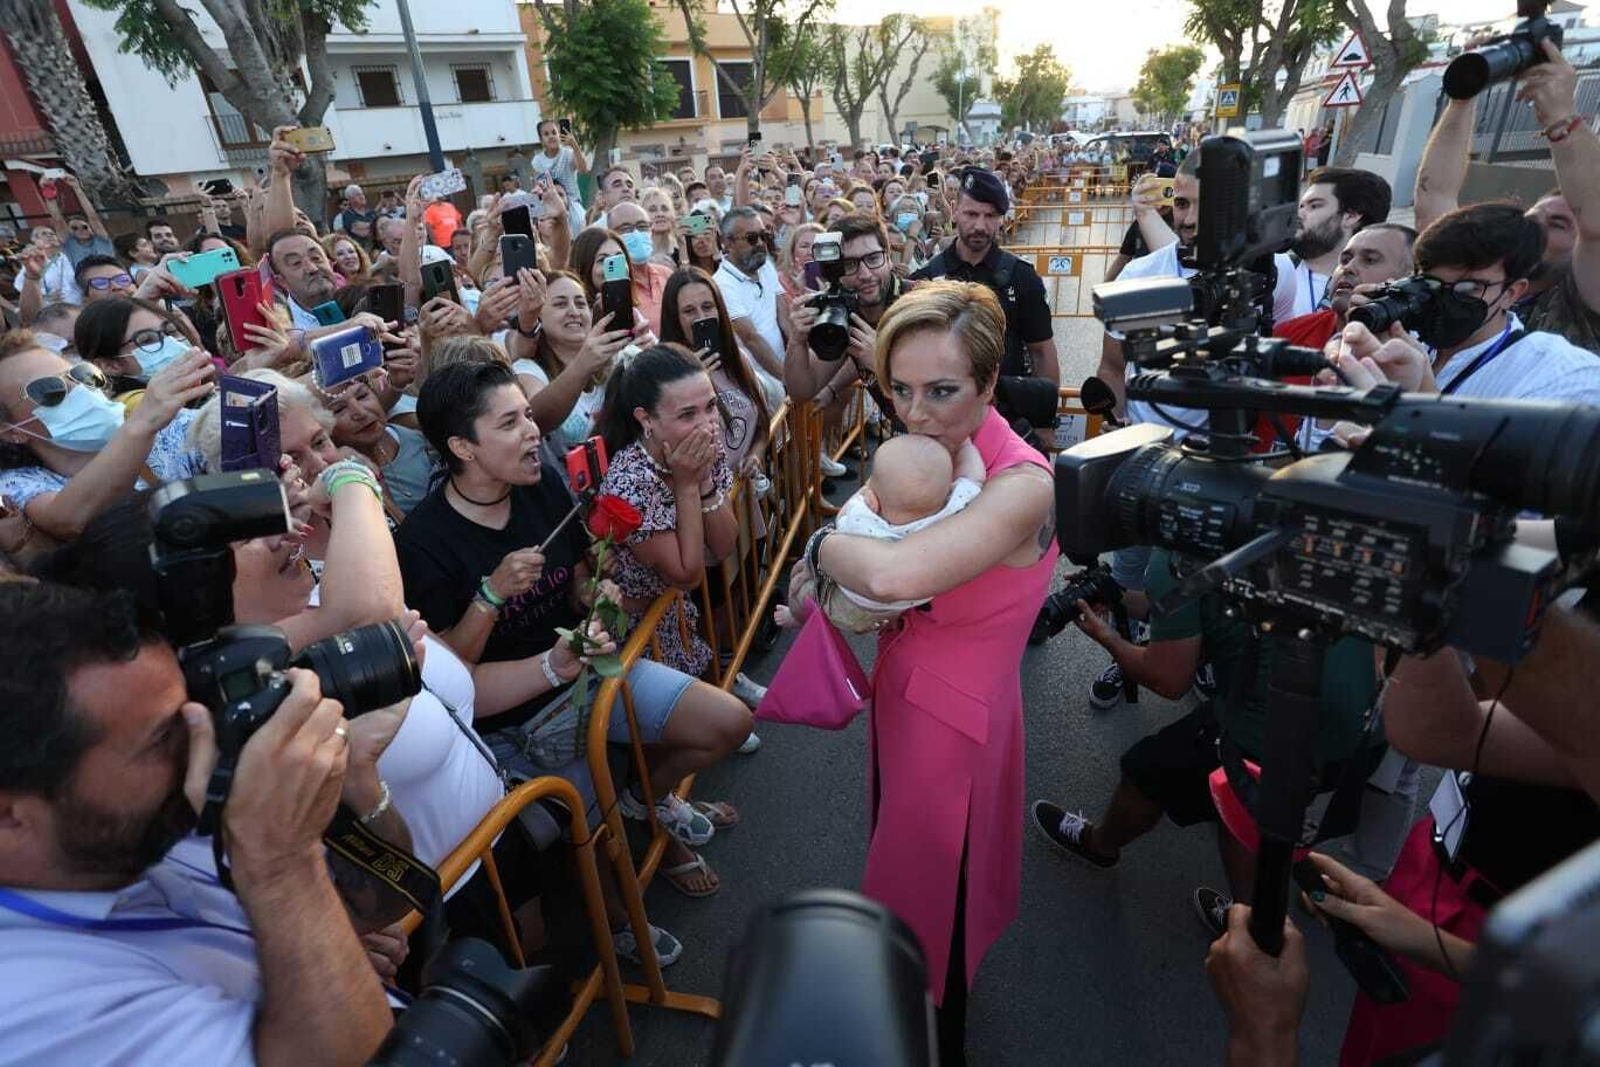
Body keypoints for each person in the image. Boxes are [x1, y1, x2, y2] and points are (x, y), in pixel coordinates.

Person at [395, 361, 752, 909]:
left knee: (728, 722)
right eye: (510, 422)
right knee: (595, 840)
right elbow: (453, 673)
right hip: (522, 720)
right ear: (464, 448)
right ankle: (620, 932)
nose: (534, 430)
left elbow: (581, 570)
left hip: (591, 670)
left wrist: (593, 592)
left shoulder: (539, 487)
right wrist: (490, 596)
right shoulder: (422, 542)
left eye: (528, 416)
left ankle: (647, 806)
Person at [809, 281, 1057, 1064]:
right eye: (901, 388)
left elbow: (884, 575)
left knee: (930, 924)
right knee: (918, 903)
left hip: (955, 730)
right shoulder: (931, 454)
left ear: (989, 382)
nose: (916, 412)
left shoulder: (1023, 483)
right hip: (909, 702)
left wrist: (816, 549)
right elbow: (875, 548)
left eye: (942, 390)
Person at [0, 582, 397, 1066]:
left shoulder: (131, 832)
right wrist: (282, 866)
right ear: (9, 817)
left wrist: (354, 782)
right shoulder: (30, 1010)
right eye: (165, 738)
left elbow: (376, 913)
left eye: (198, 709)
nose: (206, 746)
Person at [1029, 541, 1386, 933]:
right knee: (1262, 817)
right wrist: (1118, 597)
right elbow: (1202, 610)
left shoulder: (1176, 558)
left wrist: (1108, 638)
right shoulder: (1309, 527)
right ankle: (1253, 919)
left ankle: (1102, 845)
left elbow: (1169, 680)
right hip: (1358, 733)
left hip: (1263, 738)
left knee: (1147, 773)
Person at [592, 343, 767, 710]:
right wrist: (688, 484)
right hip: (635, 632)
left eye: (710, 406)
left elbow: (723, 547)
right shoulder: (627, 484)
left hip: (677, 616)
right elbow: (687, 575)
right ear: (646, 419)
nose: (707, 424)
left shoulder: (700, 446)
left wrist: (702, 484)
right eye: (688, 414)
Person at [1413, 39, 1600, 354]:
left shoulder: (1580, 302)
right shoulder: (1471, 282)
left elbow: (1595, 221)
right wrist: (1463, 96)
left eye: (1557, 223)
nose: (1534, 228)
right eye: (1531, 218)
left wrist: (1561, 116)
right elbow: (1435, 199)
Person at [0, 331, 211, 543]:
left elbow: (223, 432)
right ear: (11, 432)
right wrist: (141, 424)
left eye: (82, 374)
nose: (80, 389)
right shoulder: (18, 483)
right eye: (49, 389)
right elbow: (70, 520)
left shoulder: (166, 427)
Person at [779, 433, 984, 632]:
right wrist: (965, 445)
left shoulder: (862, 517)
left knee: (804, 585)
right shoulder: (951, 511)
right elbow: (974, 476)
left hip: (849, 602)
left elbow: (839, 526)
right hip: (899, 602)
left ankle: (795, 617)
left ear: (872, 500)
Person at [912, 167, 1060, 389]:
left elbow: (1041, 352)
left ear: (1001, 219)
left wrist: (1045, 417)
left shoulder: (1022, 278)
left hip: (1006, 415)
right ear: (954, 211)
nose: (980, 226)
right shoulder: (927, 279)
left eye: (990, 216)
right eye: (971, 214)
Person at [509, 271, 630, 459]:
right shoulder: (527, 369)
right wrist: (582, 365)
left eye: (581, 303)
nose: (574, 311)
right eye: (560, 304)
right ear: (538, 315)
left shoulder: (617, 357)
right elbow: (536, 419)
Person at [319, 369, 436, 517]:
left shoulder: (418, 432)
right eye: (339, 409)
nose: (360, 413)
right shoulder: (339, 481)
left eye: (362, 396)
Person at [1288, 167, 1393, 312]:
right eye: (1301, 206)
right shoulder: (1272, 273)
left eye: (1314, 206)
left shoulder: (1383, 298)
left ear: (1350, 216)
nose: (1299, 214)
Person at [72, 296, 202, 409]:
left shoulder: (192, 394)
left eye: (171, 330)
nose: (173, 343)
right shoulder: (135, 408)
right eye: (147, 340)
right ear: (109, 365)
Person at [712, 207, 785, 406]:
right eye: (752, 238)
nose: (761, 243)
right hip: (756, 382)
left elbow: (784, 318)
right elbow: (751, 339)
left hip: (782, 368)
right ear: (727, 242)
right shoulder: (721, 284)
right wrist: (787, 380)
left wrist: (798, 365)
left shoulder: (766, 266)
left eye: (764, 236)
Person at [604, 202, 674, 332]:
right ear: (611, 234)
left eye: (642, 227)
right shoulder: (613, 286)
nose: (636, 233)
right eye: (626, 229)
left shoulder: (667, 275)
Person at [528, 119, 590, 219]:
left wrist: (574, 145)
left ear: (559, 134)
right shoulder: (537, 161)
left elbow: (583, 170)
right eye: (546, 134)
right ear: (541, 139)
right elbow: (537, 186)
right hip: (550, 206)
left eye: (554, 132)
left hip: (572, 204)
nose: (551, 136)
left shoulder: (569, 153)